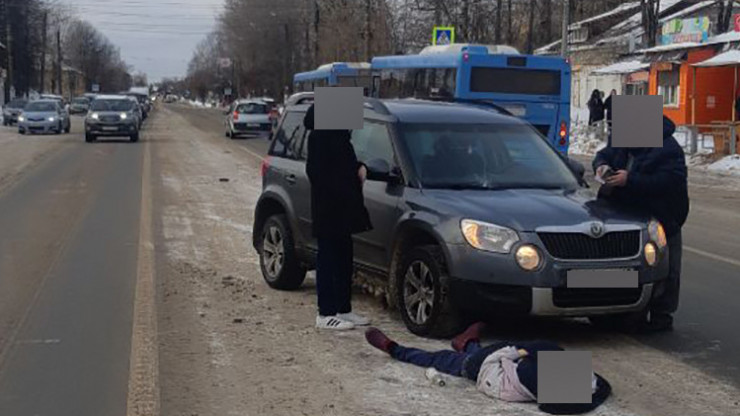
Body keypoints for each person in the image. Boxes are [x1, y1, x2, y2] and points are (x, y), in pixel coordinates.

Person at [365, 323, 611, 414]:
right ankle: (468, 342)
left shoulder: (530, 374)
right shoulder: (581, 382)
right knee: (479, 352)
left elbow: (514, 352)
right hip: (498, 364)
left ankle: (396, 349)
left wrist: (521, 351)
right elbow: (600, 388)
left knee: (439, 359)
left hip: (483, 369)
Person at [592, 115, 689, 332]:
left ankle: (661, 316)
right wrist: (601, 165)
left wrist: (630, 180)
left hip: (663, 216)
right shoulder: (624, 141)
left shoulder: (667, 148)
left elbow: (669, 181)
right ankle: (623, 311)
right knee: (627, 264)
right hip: (625, 213)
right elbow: (603, 154)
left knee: (666, 267)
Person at [304, 104, 373, 330]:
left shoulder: (340, 137)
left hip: (344, 208)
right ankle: (325, 314)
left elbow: (346, 165)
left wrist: (359, 168)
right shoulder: (319, 137)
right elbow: (316, 173)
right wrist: (342, 186)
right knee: (328, 259)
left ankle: (344, 309)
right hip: (329, 208)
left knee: (345, 258)